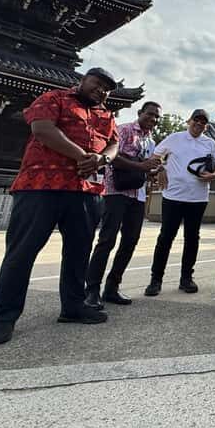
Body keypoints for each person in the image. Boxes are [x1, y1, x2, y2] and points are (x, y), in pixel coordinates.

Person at [0, 68, 120, 346]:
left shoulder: (107, 115)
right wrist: (83, 156)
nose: (102, 90)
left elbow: (114, 144)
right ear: (82, 81)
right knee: (22, 252)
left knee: (79, 252)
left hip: (86, 191)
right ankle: (4, 317)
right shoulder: (54, 98)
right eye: (97, 83)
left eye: (107, 88)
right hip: (42, 185)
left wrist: (101, 160)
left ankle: (73, 307)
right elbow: (42, 128)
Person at [85, 101, 162, 309]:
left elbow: (143, 166)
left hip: (138, 195)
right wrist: (141, 166)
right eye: (150, 114)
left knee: (130, 241)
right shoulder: (125, 130)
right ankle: (91, 289)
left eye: (156, 117)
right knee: (107, 239)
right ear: (140, 113)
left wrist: (151, 170)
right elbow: (113, 156)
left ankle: (112, 287)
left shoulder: (151, 141)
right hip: (116, 191)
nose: (153, 119)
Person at [145, 109, 215, 297]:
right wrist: (160, 168)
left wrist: (214, 174)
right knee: (165, 237)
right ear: (189, 121)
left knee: (192, 238)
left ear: (207, 126)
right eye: (196, 120)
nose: (199, 124)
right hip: (173, 196)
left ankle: (186, 278)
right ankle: (156, 279)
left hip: (198, 197)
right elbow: (155, 157)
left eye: (203, 122)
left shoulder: (210, 143)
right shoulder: (174, 138)